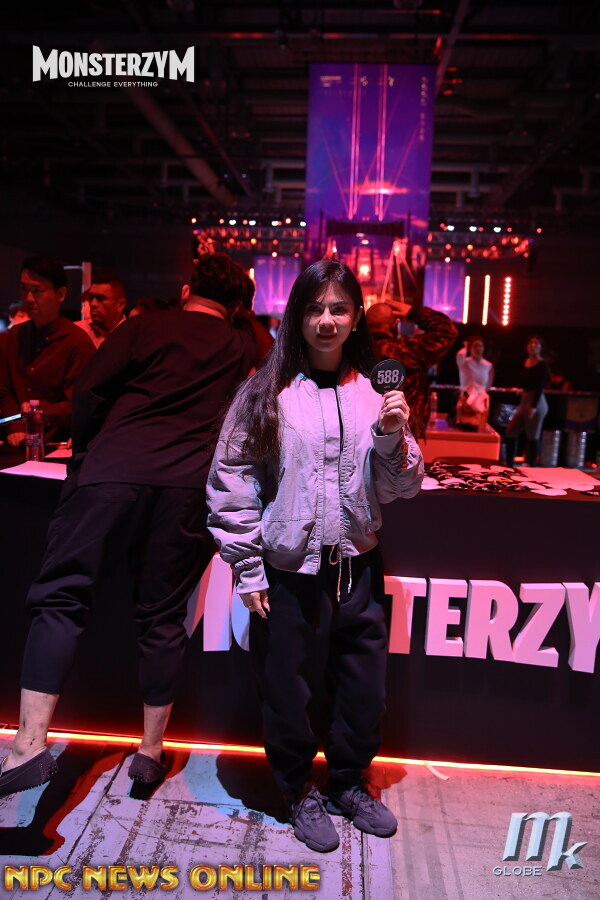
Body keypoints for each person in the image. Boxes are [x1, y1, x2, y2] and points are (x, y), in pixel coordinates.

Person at [0, 252, 257, 798]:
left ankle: (29, 744)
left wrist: (86, 456)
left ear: (186, 290)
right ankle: (149, 752)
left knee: (61, 598)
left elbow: (90, 389)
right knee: (163, 616)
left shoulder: (145, 326)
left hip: (112, 472)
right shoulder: (240, 344)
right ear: (236, 306)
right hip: (186, 488)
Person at [207, 260, 424, 853]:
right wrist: (248, 567)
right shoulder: (265, 391)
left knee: (363, 688)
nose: (327, 320)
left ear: (356, 317)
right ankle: (297, 788)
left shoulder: (375, 392)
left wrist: (392, 436)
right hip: (288, 569)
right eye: (314, 308)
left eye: (338, 308)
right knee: (287, 689)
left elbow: (402, 488)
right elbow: (232, 479)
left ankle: (348, 783)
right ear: (296, 317)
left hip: (357, 564)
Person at [0, 256, 95, 446]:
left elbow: (79, 404)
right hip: (15, 440)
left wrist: (38, 412)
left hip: (56, 443)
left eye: (37, 291)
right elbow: (5, 390)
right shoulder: (13, 336)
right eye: (24, 289)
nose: (29, 298)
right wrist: (15, 427)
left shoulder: (77, 343)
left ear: (60, 294)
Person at [366, 299, 458, 438]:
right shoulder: (406, 351)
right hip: (403, 438)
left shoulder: (353, 355)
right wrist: (413, 312)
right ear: (395, 325)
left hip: (361, 437)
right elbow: (446, 331)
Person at [505, 335, 549, 466]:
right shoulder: (526, 362)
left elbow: (540, 386)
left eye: (536, 343)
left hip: (536, 401)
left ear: (540, 347)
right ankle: (509, 463)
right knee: (511, 431)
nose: (533, 346)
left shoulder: (542, 364)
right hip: (525, 399)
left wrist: (534, 406)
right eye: (531, 343)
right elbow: (525, 381)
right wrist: (520, 389)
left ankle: (532, 465)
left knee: (532, 435)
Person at [75, 278, 127, 348]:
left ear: (120, 305)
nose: (93, 304)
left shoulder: (134, 335)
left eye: (100, 298)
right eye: (90, 298)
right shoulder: (77, 331)